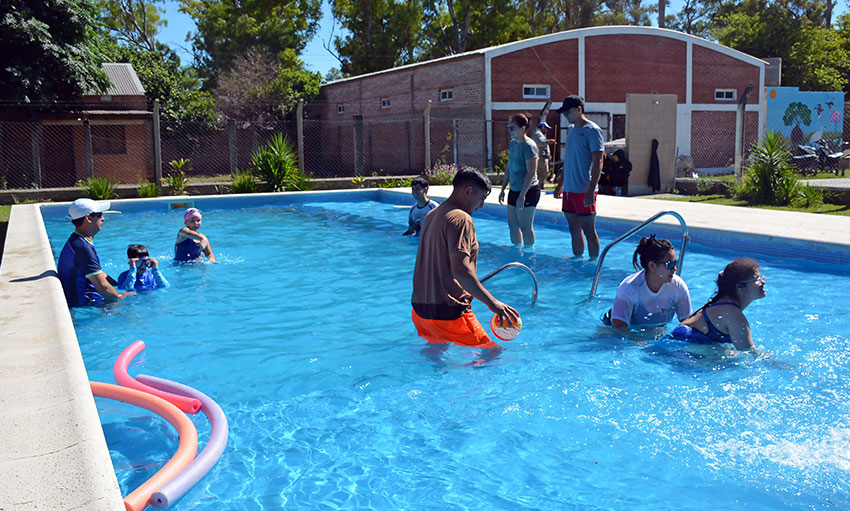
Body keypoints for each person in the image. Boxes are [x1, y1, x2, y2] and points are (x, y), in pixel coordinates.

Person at [411, 168, 519, 350]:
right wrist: (494, 304)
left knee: (436, 355)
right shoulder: (461, 219)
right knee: (492, 353)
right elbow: (461, 271)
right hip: (448, 313)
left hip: (421, 312)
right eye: (482, 198)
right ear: (468, 192)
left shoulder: (432, 215)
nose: (482, 205)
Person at [671, 258, 766, 352]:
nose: (763, 282)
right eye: (756, 279)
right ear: (740, 287)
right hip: (679, 351)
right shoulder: (734, 315)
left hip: (675, 347)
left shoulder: (720, 303)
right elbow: (750, 354)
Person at [57, 198, 133, 307]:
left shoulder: (78, 241)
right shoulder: (82, 247)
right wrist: (121, 298)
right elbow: (103, 287)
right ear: (88, 218)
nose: (103, 218)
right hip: (85, 304)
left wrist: (119, 285)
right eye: (99, 214)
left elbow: (99, 274)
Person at [603, 236, 691, 329]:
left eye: (676, 263)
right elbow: (619, 330)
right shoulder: (629, 288)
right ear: (652, 265)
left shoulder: (678, 286)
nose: (675, 269)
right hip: (613, 328)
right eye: (670, 264)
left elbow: (688, 323)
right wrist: (640, 342)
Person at [555, 95, 604, 259]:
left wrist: (591, 190)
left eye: (568, 112)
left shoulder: (592, 130)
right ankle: (577, 261)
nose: (566, 116)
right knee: (573, 229)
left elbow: (598, 161)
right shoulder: (571, 130)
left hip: (583, 189)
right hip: (569, 189)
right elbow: (568, 160)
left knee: (589, 230)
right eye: (564, 113)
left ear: (579, 109)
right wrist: (560, 184)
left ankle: (593, 264)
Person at [498, 113, 540, 247]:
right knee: (513, 225)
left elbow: (531, 172)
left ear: (523, 128)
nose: (510, 131)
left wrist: (522, 195)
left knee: (525, 227)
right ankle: (516, 251)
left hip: (529, 190)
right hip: (515, 189)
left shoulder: (529, 146)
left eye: (513, 128)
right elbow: (509, 168)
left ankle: (529, 254)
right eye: (508, 128)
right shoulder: (512, 144)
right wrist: (503, 189)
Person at [531, 121, 553, 185]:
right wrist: (549, 142)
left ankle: (540, 185)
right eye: (546, 128)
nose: (547, 130)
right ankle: (539, 185)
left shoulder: (539, 133)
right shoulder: (537, 133)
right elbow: (539, 142)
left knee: (543, 172)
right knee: (544, 171)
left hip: (543, 156)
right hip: (541, 156)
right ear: (543, 127)